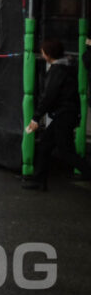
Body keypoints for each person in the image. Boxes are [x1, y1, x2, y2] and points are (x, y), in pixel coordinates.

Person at [22, 38, 91, 190]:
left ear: (47, 54)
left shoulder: (56, 71)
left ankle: (40, 181)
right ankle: (39, 181)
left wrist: (35, 117)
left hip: (63, 114)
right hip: (67, 113)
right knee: (48, 146)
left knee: (63, 150)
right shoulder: (68, 67)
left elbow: (48, 96)